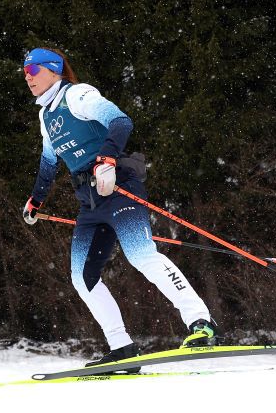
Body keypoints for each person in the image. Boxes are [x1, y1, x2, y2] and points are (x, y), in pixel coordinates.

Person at [19, 46, 218, 369]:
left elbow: (121, 121)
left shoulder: (78, 95)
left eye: (33, 71)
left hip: (119, 186)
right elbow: (49, 161)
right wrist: (36, 199)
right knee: (82, 277)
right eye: (25, 73)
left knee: (141, 255)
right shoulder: (45, 115)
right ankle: (122, 348)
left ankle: (201, 324)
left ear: (53, 69)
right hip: (89, 202)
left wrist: (107, 159)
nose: (28, 78)